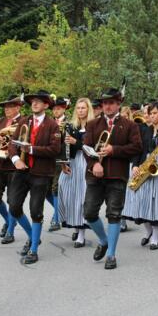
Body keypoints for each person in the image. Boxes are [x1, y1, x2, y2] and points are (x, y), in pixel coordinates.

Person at [83, 87, 142, 269]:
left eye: (111, 103)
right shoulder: (92, 124)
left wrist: (114, 150)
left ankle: (111, 255)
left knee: (114, 214)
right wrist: (94, 164)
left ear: (118, 104)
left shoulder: (130, 125)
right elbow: (86, 148)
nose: (107, 106)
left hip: (117, 175)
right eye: (105, 103)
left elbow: (137, 147)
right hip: (95, 175)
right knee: (89, 213)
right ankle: (104, 240)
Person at [7, 90, 61, 264]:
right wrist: (15, 159)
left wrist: (31, 149)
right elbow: (12, 144)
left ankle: (34, 250)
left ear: (46, 105)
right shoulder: (24, 121)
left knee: (36, 211)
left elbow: (55, 149)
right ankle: (33, 237)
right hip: (21, 171)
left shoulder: (52, 125)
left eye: (38, 101)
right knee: (14, 207)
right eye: (33, 102)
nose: (34, 104)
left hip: (41, 173)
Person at [131, 101, 158, 250]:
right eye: (150, 113)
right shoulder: (145, 130)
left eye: (155, 113)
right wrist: (135, 165)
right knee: (142, 200)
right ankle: (148, 231)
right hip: (146, 165)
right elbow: (139, 149)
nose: (152, 116)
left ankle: (155, 237)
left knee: (157, 203)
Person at [0, 94, 25, 244]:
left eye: (10, 106)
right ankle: (9, 221)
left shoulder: (24, 122)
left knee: (12, 200)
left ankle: (10, 231)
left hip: (14, 166)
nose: (6, 109)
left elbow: (25, 142)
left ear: (18, 107)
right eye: (5, 107)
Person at [58, 97, 94, 247]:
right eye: (78, 108)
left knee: (81, 197)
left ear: (88, 109)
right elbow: (63, 146)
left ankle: (81, 234)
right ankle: (74, 224)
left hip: (86, 161)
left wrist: (76, 142)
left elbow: (93, 147)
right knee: (65, 190)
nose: (80, 111)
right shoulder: (71, 126)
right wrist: (63, 163)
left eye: (83, 108)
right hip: (72, 161)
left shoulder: (93, 126)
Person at [122, 104, 150, 237]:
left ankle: (152, 232)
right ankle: (123, 219)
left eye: (150, 112)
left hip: (149, 163)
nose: (147, 115)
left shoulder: (157, 129)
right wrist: (135, 164)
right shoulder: (138, 128)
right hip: (134, 162)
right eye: (146, 112)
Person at [47, 96, 70, 231]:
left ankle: (56, 219)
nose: (56, 111)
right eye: (54, 109)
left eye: (59, 108)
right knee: (46, 190)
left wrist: (65, 161)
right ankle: (60, 211)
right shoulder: (49, 122)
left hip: (61, 159)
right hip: (48, 158)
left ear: (64, 109)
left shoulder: (69, 123)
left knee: (56, 189)